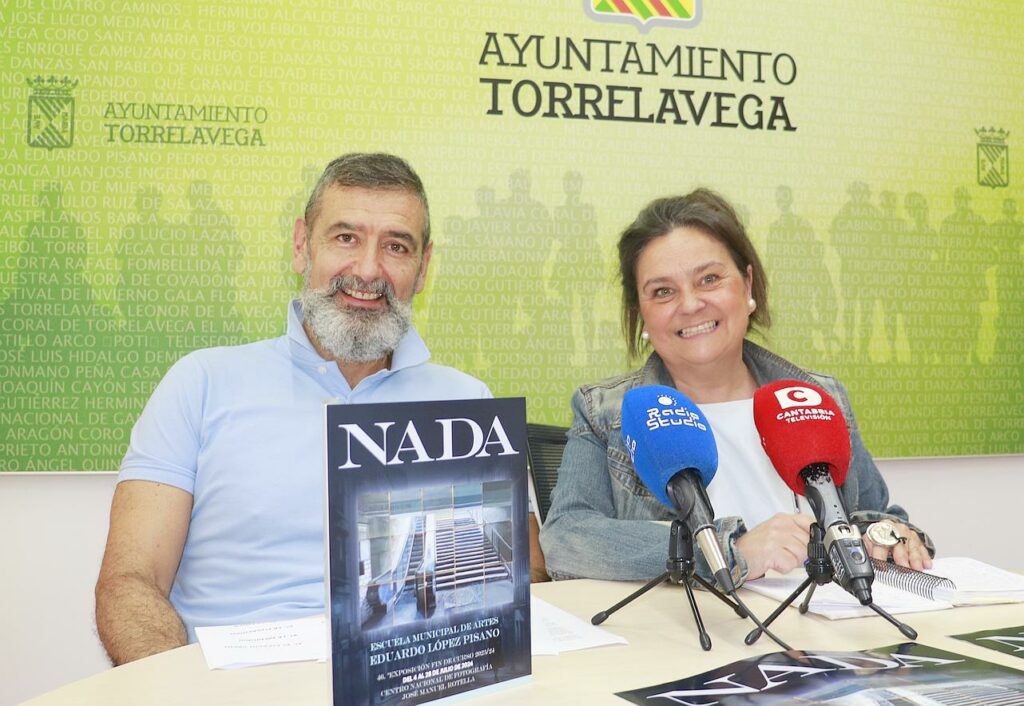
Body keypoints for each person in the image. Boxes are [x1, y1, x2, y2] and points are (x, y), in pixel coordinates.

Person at [95, 153, 491, 665]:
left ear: (422, 268)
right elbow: (130, 582)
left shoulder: (468, 403)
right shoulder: (201, 383)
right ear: (302, 245)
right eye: (345, 238)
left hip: (414, 681)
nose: (368, 271)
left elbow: (513, 583)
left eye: (396, 246)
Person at [539, 189, 933, 585]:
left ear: (747, 286)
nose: (690, 304)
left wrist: (891, 537)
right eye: (663, 291)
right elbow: (567, 539)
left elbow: (872, 517)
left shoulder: (817, 396)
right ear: (640, 313)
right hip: (685, 637)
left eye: (709, 279)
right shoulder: (605, 411)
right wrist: (729, 552)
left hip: (820, 631)